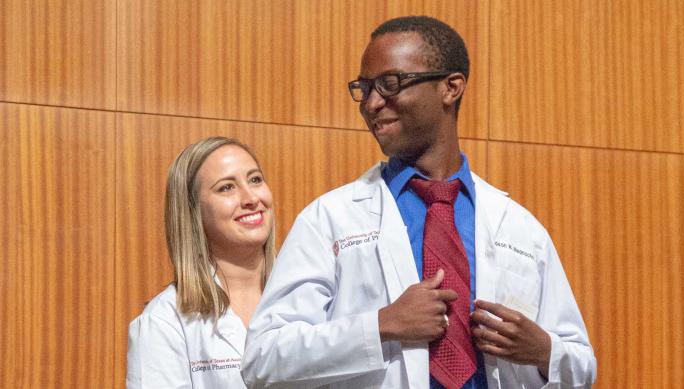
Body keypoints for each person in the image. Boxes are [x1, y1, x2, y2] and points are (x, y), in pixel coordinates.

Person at [242, 16, 596, 389]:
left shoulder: (520, 228)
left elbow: (582, 365)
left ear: (451, 87)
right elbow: (263, 359)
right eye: (364, 88)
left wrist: (544, 351)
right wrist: (380, 325)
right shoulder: (330, 218)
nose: (372, 103)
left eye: (390, 84)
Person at [126, 136, 276, 389]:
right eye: (226, 187)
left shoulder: (313, 295)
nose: (251, 197)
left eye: (255, 179)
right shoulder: (164, 320)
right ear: (193, 211)